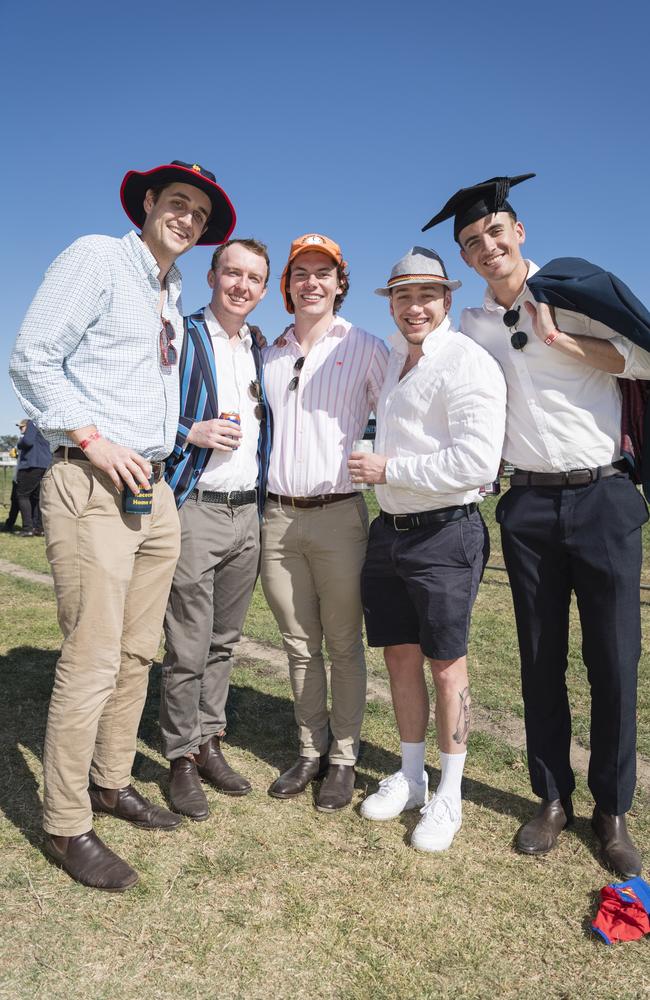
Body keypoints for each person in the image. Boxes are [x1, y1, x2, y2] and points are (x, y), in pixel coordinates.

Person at [10, 160, 236, 891]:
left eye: (199, 214)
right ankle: (67, 821)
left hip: (154, 487)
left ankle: (111, 781)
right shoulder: (98, 257)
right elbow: (32, 356)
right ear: (147, 204)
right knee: (93, 653)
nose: (188, 219)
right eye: (177, 203)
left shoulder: (168, 293)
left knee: (140, 650)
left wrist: (171, 438)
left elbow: (142, 389)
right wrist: (90, 435)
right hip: (92, 475)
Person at [422, 174, 650, 876]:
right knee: (540, 659)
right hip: (527, 506)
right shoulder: (472, 328)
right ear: (465, 259)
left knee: (613, 661)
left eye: (495, 232)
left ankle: (611, 812)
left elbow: (644, 359)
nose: (487, 246)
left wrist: (567, 341)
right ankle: (552, 798)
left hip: (604, 496)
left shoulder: (574, 291)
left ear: (518, 232)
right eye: (471, 242)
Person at [348, 247, 506, 851]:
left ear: (446, 299)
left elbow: (477, 462)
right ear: (391, 302)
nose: (414, 307)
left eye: (426, 295)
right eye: (402, 296)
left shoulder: (466, 361)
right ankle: (412, 778)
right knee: (399, 657)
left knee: (447, 664)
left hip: (446, 530)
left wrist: (390, 467)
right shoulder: (391, 358)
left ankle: (451, 793)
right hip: (391, 530)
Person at [261, 233, 388, 812]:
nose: (311, 282)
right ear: (287, 286)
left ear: (340, 283)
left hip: (338, 514)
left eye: (323, 273)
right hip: (277, 518)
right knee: (297, 643)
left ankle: (343, 758)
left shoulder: (365, 345)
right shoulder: (269, 352)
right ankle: (309, 751)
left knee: (342, 644)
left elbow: (401, 409)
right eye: (300, 273)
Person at [161, 238, 270, 820]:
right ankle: (179, 755)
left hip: (246, 511)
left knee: (225, 640)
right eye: (233, 273)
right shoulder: (181, 334)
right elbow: (145, 403)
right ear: (212, 275)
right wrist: (189, 433)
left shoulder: (259, 345)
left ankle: (209, 742)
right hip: (196, 505)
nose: (242, 286)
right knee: (187, 643)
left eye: (254, 278)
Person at [14, 417, 51, 536]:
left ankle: (27, 528)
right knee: (37, 497)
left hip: (31, 465)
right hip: (44, 465)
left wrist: (19, 443)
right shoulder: (46, 424)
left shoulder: (33, 422)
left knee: (23, 495)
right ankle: (39, 528)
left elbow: (27, 442)